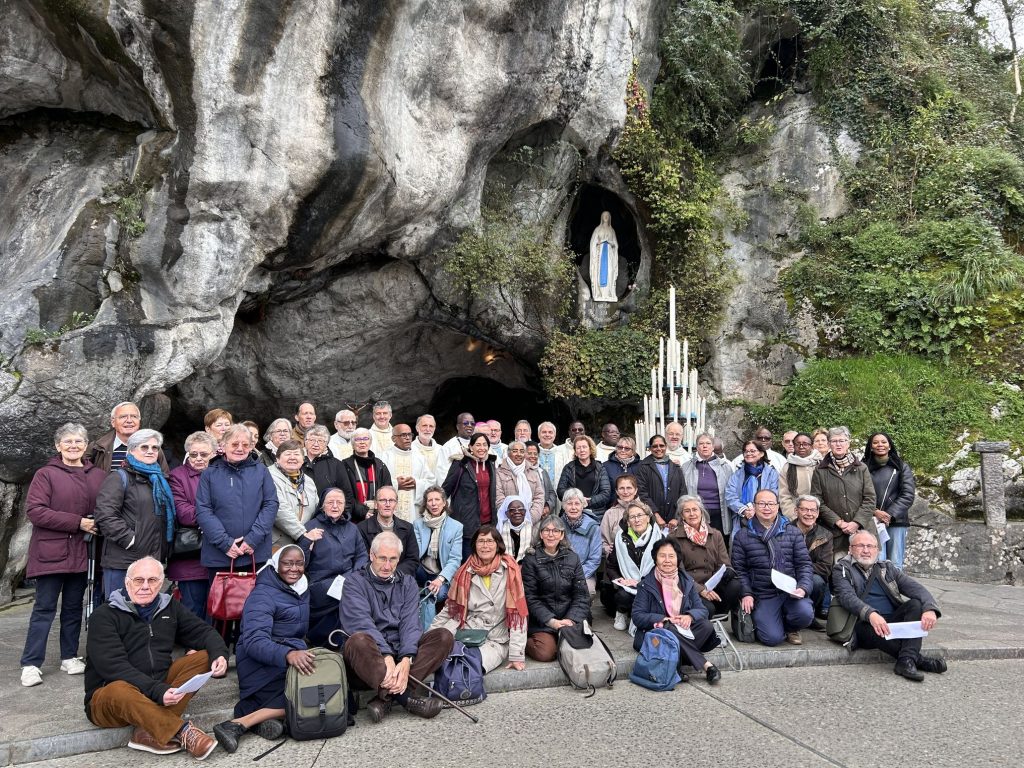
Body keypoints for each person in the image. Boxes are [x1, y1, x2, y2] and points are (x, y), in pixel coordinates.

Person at [86, 557, 225, 759]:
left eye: (152, 580)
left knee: (203, 657)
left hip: (156, 690)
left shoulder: (169, 607)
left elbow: (203, 632)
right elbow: (113, 667)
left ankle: (146, 731)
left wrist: (219, 654)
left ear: (161, 583)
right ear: (127, 582)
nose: (145, 586)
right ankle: (182, 732)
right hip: (110, 700)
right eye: (138, 580)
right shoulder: (104, 616)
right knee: (119, 687)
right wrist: (158, 690)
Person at [20, 423, 105, 688]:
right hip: (51, 552)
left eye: (79, 441)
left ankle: (69, 656)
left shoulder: (98, 475)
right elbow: (35, 511)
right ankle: (31, 663)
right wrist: (78, 522)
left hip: (82, 553)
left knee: (72, 608)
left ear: (86, 445)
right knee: (44, 609)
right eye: (67, 441)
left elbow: (106, 507)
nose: (73, 446)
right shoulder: (46, 474)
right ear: (58, 446)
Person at [340, 532, 454, 721]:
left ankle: (384, 699)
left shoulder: (407, 582)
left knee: (443, 637)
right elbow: (361, 622)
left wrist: (406, 658)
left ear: (399, 559)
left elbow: (410, 623)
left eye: (393, 559)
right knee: (358, 641)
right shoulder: (354, 582)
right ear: (371, 555)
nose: (387, 566)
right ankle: (405, 698)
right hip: (372, 659)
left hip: (400, 651)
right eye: (382, 558)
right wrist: (386, 655)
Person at [213, 545, 309, 753]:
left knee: (324, 690)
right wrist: (288, 654)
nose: (294, 568)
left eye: (299, 563)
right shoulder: (262, 595)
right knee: (304, 697)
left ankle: (263, 720)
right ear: (276, 565)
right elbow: (254, 641)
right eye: (287, 563)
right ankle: (238, 724)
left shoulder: (301, 589)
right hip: (259, 663)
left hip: (285, 660)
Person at [832, 530, 947, 681]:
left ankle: (906, 661)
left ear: (877, 550)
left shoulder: (886, 568)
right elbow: (847, 597)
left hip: (891, 620)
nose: (866, 550)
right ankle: (916, 660)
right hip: (860, 623)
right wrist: (871, 614)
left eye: (870, 546)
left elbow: (916, 588)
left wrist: (930, 609)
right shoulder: (842, 569)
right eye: (860, 546)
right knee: (874, 628)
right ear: (850, 549)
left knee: (916, 605)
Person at [196, 424, 279, 609]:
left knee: (255, 608)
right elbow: (203, 510)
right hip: (220, 554)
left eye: (245, 444)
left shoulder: (261, 471)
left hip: (254, 553)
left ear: (251, 446)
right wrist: (225, 543)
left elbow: (270, 504)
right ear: (223, 445)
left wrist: (252, 539)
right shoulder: (210, 474)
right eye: (234, 444)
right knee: (220, 609)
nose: (240, 448)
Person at [431, 526, 528, 673]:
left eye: (490, 541)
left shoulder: (511, 571)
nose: (485, 546)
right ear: (474, 545)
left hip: (493, 638)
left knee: (465, 665)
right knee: (439, 659)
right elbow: (450, 610)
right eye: (481, 541)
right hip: (463, 630)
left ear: (498, 544)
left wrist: (516, 655)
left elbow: (518, 615)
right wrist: (429, 637)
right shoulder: (465, 571)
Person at [94, 429, 175, 598]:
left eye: (155, 447)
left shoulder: (158, 479)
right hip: (123, 561)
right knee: (120, 614)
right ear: (131, 450)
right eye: (144, 447)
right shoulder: (119, 478)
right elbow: (105, 514)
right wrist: (130, 540)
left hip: (150, 561)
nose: (150, 451)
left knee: (144, 616)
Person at [631, 538, 722, 684]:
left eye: (671, 556)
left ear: (678, 558)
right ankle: (707, 665)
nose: (667, 560)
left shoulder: (687, 582)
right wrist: (663, 619)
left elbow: (702, 610)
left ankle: (675, 663)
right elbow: (637, 616)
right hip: (656, 634)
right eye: (662, 556)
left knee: (706, 626)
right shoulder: (646, 585)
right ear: (655, 559)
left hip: (681, 629)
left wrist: (689, 616)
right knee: (669, 630)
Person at [732, 489, 814, 646]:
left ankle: (790, 627)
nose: (766, 507)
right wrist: (746, 593)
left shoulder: (792, 532)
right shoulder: (743, 535)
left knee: (805, 614)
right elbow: (740, 570)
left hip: (790, 591)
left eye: (770, 503)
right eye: (761, 504)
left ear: (778, 506)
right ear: (754, 507)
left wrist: (803, 588)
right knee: (772, 638)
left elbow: (804, 564)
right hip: (763, 593)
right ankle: (773, 622)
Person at [298, 488, 368, 646]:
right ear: (322, 506)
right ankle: (328, 642)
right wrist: (307, 541)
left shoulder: (352, 528)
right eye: (330, 502)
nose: (335, 506)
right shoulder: (311, 526)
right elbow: (300, 562)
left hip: (348, 579)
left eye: (339, 502)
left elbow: (362, 555)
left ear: (344, 506)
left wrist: (353, 575)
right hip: (319, 583)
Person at [521, 515, 591, 662]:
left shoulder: (573, 558)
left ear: (562, 535)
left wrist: (570, 619)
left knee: (581, 648)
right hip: (543, 621)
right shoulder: (531, 560)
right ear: (540, 534)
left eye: (555, 531)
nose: (551, 534)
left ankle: (562, 637)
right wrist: (551, 621)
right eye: (546, 530)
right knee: (546, 653)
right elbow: (530, 598)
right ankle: (522, 642)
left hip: (568, 618)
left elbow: (582, 595)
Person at [167, 432, 217, 620]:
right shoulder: (177, 476)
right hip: (190, 554)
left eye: (203, 454)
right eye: (193, 454)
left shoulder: (221, 473)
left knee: (215, 608)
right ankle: (193, 649)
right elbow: (183, 512)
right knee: (192, 609)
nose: (198, 458)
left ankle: (213, 648)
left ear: (213, 453)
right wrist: (215, 520)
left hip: (219, 553)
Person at [811, 426, 877, 560]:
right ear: (829, 444)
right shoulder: (820, 470)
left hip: (862, 530)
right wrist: (839, 522)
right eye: (834, 441)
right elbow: (817, 501)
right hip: (834, 532)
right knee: (837, 572)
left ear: (848, 443)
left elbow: (870, 499)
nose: (838, 444)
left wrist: (856, 523)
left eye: (842, 440)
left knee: (865, 571)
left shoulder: (861, 468)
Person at [671, 496, 741, 618]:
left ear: (701, 512)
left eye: (695, 509)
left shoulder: (715, 534)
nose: (692, 514)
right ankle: (707, 617)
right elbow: (678, 572)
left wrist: (724, 574)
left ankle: (718, 614)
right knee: (707, 608)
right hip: (690, 586)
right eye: (687, 511)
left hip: (713, 583)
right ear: (682, 515)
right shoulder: (673, 538)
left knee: (735, 586)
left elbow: (724, 563)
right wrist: (701, 590)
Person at [602, 501, 663, 631]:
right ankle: (621, 611)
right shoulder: (620, 538)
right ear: (628, 522)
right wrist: (621, 580)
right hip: (628, 585)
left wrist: (643, 582)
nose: (637, 520)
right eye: (632, 517)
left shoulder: (660, 538)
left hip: (653, 584)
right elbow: (610, 566)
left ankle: (641, 617)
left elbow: (664, 568)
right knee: (622, 596)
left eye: (640, 515)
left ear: (648, 517)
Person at [413, 487, 464, 627]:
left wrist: (440, 579)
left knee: (432, 593)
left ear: (444, 503)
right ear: (426, 504)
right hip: (422, 571)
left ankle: (427, 632)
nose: (434, 503)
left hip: (441, 575)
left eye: (437, 500)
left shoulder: (456, 527)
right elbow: (414, 553)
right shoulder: (418, 524)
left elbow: (455, 559)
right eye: (430, 500)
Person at [864, 432, 916, 568]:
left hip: (896, 521)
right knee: (875, 561)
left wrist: (889, 514)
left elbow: (908, 494)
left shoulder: (901, 467)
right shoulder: (862, 468)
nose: (880, 445)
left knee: (895, 563)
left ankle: (894, 589)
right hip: (872, 520)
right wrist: (875, 512)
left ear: (890, 446)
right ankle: (877, 589)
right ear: (870, 446)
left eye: (884, 442)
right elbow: (857, 494)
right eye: (875, 442)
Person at [442, 432, 497, 561]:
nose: (481, 448)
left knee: (484, 561)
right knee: (467, 562)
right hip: (465, 524)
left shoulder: (490, 464)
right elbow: (445, 489)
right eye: (478, 444)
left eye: (484, 445)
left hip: (487, 523)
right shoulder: (461, 464)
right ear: (471, 447)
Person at [87, 401, 170, 473]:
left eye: (134, 416)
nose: (129, 421)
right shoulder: (97, 448)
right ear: (113, 422)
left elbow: (165, 476)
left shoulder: (152, 447)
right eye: (123, 417)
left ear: (139, 421)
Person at [358, 486, 419, 578]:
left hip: (400, 579)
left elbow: (412, 559)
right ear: (375, 504)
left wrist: (394, 575)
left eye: (391, 500)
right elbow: (362, 560)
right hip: (373, 580)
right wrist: (382, 574)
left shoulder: (408, 528)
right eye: (383, 500)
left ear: (396, 504)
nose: (387, 504)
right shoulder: (361, 528)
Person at [268, 439, 319, 546]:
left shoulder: (308, 481)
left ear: (303, 459)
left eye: (296, 454)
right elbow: (280, 509)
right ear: (277, 458)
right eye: (287, 454)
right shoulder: (268, 476)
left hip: (305, 541)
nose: (292, 457)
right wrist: (302, 534)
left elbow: (316, 510)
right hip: (277, 542)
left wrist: (309, 535)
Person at [681, 433, 732, 539]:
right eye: (701, 443)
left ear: (713, 446)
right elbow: (682, 493)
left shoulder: (725, 467)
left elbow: (731, 491)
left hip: (719, 514)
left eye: (708, 443)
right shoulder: (686, 467)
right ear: (696, 447)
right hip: (695, 513)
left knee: (718, 545)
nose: (705, 446)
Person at [725, 440, 780, 537]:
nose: (748, 453)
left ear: (761, 453)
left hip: (766, 517)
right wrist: (744, 510)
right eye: (746, 451)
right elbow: (730, 495)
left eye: (752, 451)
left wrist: (758, 509)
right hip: (743, 520)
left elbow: (774, 494)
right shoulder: (737, 474)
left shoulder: (771, 473)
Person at [382, 423, 435, 522]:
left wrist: (416, 483)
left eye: (410, 435)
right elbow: (378, 481)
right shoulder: (385, 457)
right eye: (403, 435)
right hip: (391, 508)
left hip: (413, 510)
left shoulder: (419, 457)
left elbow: (431, 481)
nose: (408, 438)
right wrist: (395, 484)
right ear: (394, 439)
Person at [635, 434, 687, 532]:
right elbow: (642, 493)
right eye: (655, 446)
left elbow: (683, 493)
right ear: (650, 448)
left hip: (674, 520)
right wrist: (656, 516)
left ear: (666, 446)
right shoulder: (643, 467)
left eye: (661, 445)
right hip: (652, 518)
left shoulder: (676, 468)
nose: (658, 449)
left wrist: (677, 517)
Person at [794, 495, 833, 624]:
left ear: (817, 513)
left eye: (813, 510)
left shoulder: (825, 535)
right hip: (789, 574)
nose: (809, 514)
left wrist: (802, 569)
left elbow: (825, 567)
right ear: (796, 511)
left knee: (817, 581)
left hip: (812, 576)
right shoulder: (785, 530)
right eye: (804, 509)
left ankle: (810, 612)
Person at [341, 429, 393, 523]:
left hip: (378, 516)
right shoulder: (345, 466)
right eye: (358, 439)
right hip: (354, 519)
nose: (362, 442)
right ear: (352, 444)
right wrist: (362, 512)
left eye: (366, 438)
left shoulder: (380, 466)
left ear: (370, 442)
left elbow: (388, 492)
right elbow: (345, 495)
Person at [557, 434, 611, 522]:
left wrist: (588, 502)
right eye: (578, 448)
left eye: (584, 447)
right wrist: (576, 501)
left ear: (590, 449)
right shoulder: (568, 468)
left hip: (595, 514)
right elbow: (560, 490)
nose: (582, 450)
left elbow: (606, 493)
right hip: (571, 512)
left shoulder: (600, 468)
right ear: (575, 451)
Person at [559, 489, 602, 593]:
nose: (573, 507)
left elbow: (594, 559)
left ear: (583, 505)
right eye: (569, 504)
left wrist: (577, 575)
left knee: (586, 590)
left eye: (577, 503)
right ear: (564, 506)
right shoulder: (557, 525)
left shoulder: (593, 527)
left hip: (584, 573)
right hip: (559, 573)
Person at [303, 425, 355, 508]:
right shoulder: (296, 461)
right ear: (305, 441)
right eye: (312, 440)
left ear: (326, 444)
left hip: (327, 514)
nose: (316, 444)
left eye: (320, 441)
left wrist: (343, 516)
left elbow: (347, 494)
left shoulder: (336, 464)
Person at [495, 440, 545, 522]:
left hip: (531, 522)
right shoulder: (499, 472)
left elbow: (539, 497)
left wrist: (530, 518)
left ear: (525, 454)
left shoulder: (533, 472)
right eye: (515, 451)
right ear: (508, 453)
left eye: (522, 451)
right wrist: (514, 517)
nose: (518, 454)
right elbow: (499, 497)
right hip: (507, 521)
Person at [779, 432, 818, 520]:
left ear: (812, 446)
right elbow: (784, 497)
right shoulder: (787, 468)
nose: (801, 447)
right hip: (797, 518)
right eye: (797, 444)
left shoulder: (820, 464)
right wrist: (794, 516)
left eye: (805, 444)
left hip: (821, 517)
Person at [601, 473, 639, 555]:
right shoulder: (610, 514)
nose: (625, 492)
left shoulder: (645, 511)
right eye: (621, 488)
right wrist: (606, 548)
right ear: (616, 491)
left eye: (629, 488)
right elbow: (602, 540)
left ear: (636, 490)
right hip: (617, 561)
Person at [589, 210, 619, 302]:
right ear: (601, 217)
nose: (606, 217)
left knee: (610, 272)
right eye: (604, 215)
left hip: (609, 255)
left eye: (607, 215)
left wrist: (610, 242)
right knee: (599, 272)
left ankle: (608, 294)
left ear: (610, 218)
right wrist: (600, 243)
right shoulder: (597, 229)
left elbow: (616, 244)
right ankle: (600, 294)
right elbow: (593, 243)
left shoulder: (612, 230)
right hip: (600, 255)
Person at [524, 441, 557, 516]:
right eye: (529, 453)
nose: (533, 456)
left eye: (535, 454)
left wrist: (547, 507)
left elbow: (551, 492)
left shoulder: (542, 472)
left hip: (543, 514)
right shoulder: (519, 473)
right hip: (526, 514)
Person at [496, 496, 532, 562]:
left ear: (525, 512)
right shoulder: (499, 532)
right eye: (512, 510)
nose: (517, 512)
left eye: (520, 509)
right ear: (507, 513)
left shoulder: (534, 531)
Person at [535, 422, 566, 491]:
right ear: (538, 435)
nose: (547, 435)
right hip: (536, 493)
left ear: (554, 435)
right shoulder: (532, 451)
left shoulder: (561, 452)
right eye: (544, 432)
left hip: (556, 493)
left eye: (550, 432)